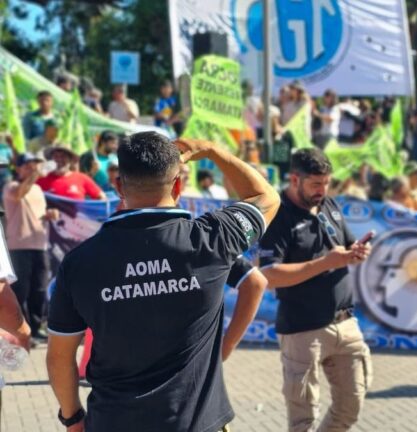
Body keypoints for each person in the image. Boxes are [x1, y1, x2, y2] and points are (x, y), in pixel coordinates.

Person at [46, 132, 280, 431]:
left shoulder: (79, 262)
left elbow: (59, 357)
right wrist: (212, 151)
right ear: (178, 185)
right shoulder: (213, 238)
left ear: (118, 185)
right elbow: (268, 197)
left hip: (113, 421)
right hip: (197, 424)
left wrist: (73, 418)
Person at [259, 148, 373, 432]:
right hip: (302, 330)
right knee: (303, 419)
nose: (322, 190)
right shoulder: (278, 216)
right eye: (315, 184)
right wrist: (325, 263)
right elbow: (269, 275)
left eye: (326, 183)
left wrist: (357, 251)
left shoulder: (329, 205)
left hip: (345, 323)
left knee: (351, 406)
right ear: (295, 180)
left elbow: (346, 247)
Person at [3, 153, 59, 342]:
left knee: (40, 289)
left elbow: (39, 213)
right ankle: (18, 329)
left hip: (40, 245)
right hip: (19, 246)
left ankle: (35, 329)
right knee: (20, 290)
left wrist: (50, 214)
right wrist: (36, 174)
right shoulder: (10, 187)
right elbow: (20, 193)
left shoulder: (37, 189)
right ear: (18, 169)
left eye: (34, 165)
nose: (32, 169)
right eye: (27, 166)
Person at [37, 146, 106, 201]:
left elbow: (103, 198)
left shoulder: (82, 178)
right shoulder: (41, 179)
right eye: (56, 156)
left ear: (70, 160)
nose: (59, 160)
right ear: (51, 160)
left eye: (63, 156)